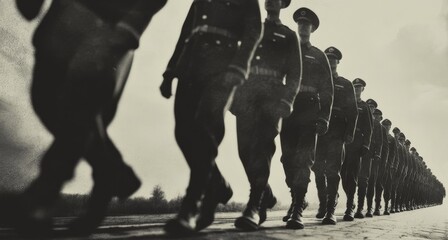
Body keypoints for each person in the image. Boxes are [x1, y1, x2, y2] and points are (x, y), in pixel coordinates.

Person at [14, 0, 166, 235]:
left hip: (112, 28)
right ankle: (112, 171)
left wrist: (131, 26)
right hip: (64, 17)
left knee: (79, 108)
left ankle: (43, 196)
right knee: (44, 102)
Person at [159, 0, 262, 235]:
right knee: (183, 132)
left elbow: (254, 31)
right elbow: (186, 32)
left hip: (223, 66)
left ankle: (191, 206)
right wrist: (170, 71)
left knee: (206, 126)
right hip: (191, 63)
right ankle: (217, 186)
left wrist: (239, 68)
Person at [231, 0, 301, 231]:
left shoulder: (288, 35)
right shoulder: (252, 27)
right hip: (247, 93)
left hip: (272, 96)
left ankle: (253, 206)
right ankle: (266, 193)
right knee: (244, 152)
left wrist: (287, 101)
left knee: (262, 149)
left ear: (282, 4)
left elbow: (295, 73)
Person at [280, 7, 333, 229]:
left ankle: (297, 208)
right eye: (300, 23)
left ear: (312, 28)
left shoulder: (319, 56)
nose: (303, 27)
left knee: (304, 160)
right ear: (297, 26)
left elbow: (328, 89)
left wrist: (324, 117)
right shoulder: (286, 50)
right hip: (288, 109)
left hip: (310, 110)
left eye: (307, 24)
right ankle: (296, 197)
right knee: (286, 159)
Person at [312, 46, 357, 225]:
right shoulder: (317, 82)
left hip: (337, 133)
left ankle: (330, 210)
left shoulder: (345, 84)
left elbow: (353, 111)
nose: (330, 62)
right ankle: (323, 203)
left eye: (333, 59)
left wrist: (349, 133)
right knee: (316, 170)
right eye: (327, 59)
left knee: (332, 171)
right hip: (318, 132)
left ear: (338, 62)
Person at [341, 78, 372, 221]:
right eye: (354, 87)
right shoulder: (346, 103)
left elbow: (369, 128)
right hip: (343, 142)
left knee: (352, 175)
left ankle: (349, 208)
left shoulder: (364, 107)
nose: (356, 89)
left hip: (356, 143)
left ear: (363, 89)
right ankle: (351, 200)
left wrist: (365, 145)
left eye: (359, 87)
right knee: (342, 174)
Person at [363, 104, 383, 218]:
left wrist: (377, 155)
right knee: (357, 180)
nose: (372, 112)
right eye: (369, 108)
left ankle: (370, 207)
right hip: (360, 154)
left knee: (370, 182)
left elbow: (380, 144)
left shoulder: (378, 127)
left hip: (372, 157)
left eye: (373, 110)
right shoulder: (363, 118)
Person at [373, 118, 391, 216]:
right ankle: (376, 205)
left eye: (387, 126)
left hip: (386, 166)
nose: (386, 128)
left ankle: (385, 205)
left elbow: (391, 154)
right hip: (377, 162)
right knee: (375, 184)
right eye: (384, 125)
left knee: (384, 186)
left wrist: (389, 165)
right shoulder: (377, 132)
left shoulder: (391, 139)